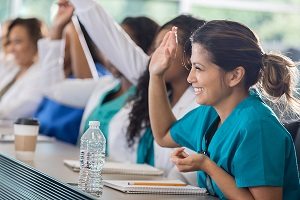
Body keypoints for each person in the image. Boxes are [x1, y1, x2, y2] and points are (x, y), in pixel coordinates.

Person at [148, 21, 300, 199]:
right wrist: (156, 75)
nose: (190, 78)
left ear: (234, 76)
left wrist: (207, 165)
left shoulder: (258, 126)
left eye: (198, 68)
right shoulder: (210, 113)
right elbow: (164, 135)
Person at [0, 17, 65, 119]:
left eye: (17, 42)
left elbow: (18, 109)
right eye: (10, 42)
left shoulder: (41, 74)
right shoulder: (13, 68)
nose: (11, 48)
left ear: (35, 42)